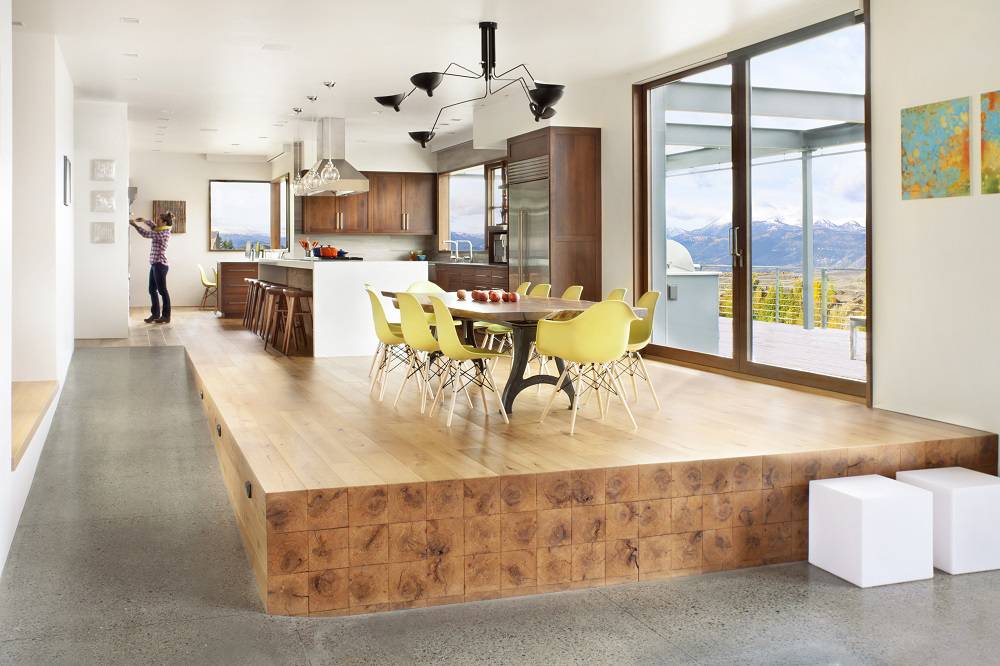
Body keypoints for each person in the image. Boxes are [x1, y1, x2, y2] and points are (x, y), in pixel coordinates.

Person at [130, 211, 173, 324]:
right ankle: (155, 314)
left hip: (160, 265)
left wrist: (135, 225)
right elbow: (154, 226)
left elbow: (146, 234)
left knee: (162, 291)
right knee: (152, 289)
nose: (156, 221)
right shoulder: (161, 229)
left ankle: (166, 316)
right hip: (155, 264)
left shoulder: (163, 233)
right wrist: (144, 220)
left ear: (164, 222)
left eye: (159, 220)